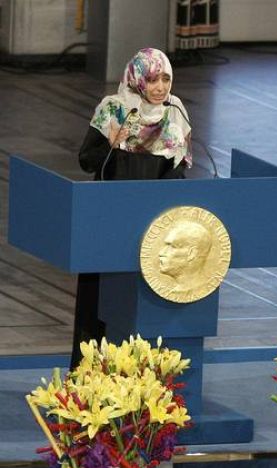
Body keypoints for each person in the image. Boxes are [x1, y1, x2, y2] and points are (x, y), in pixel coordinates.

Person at [71, 48, 193, 368]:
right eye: (153, 79)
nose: (161, 87)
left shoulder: (175, 112)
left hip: (154, 224)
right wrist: (115, 143)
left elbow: (180, 168)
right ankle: (90, 372)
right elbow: (87, 160)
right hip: (109, 219)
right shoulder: (114, 109)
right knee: (100, 301)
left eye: (166, 78)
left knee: (144, 303)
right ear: (138, 79)